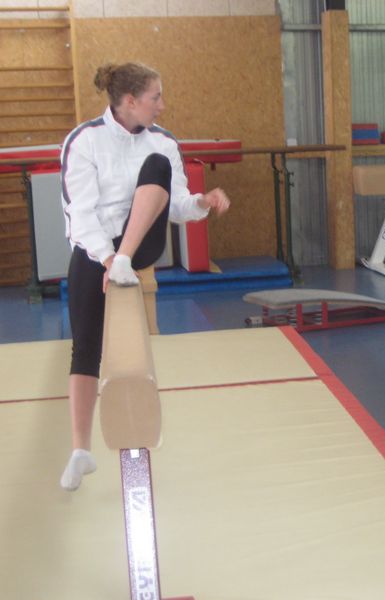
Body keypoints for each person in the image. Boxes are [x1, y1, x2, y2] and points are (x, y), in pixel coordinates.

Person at [59, 62, 231, 491]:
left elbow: (176, 204)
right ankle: (79, 451)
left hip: (142, 243)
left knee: (155, 165)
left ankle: (124, 259)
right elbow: (80, 216)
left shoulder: (162, 142)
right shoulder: (85, 141)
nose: (162, 105)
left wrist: (202, 202)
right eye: (156, 97)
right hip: (97, 248)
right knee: (85, 346)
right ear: (130, 100)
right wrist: (106, 258)